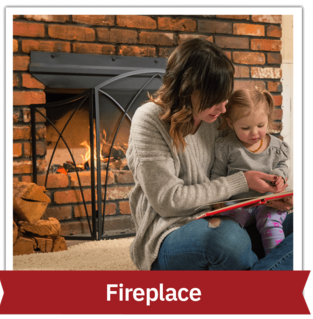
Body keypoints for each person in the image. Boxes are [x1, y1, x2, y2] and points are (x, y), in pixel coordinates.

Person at [125, 37, 293, 271]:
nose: (224, 109)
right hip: (170, 231)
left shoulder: (213, 118)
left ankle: (257, 287)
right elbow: (168, 202)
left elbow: (240, 165)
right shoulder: (149, 120)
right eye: (215, 100)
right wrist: (241, 181)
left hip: (228, 216)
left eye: (225, 98)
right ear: (186, 90)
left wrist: (270, 194)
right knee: (228, 239)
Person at [210, 88, 290, 256]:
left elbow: (282, 165)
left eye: (260, 125)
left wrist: (280, 176)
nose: (254, 133)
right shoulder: (227, 146)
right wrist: (217, 204)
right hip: (238, 204)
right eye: (246, 128)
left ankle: (275, 264)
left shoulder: (276, 146)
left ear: (267, 120)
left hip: (268, 204)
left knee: (271, 223)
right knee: (227, 226)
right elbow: (217, 176)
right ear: (231, 124)